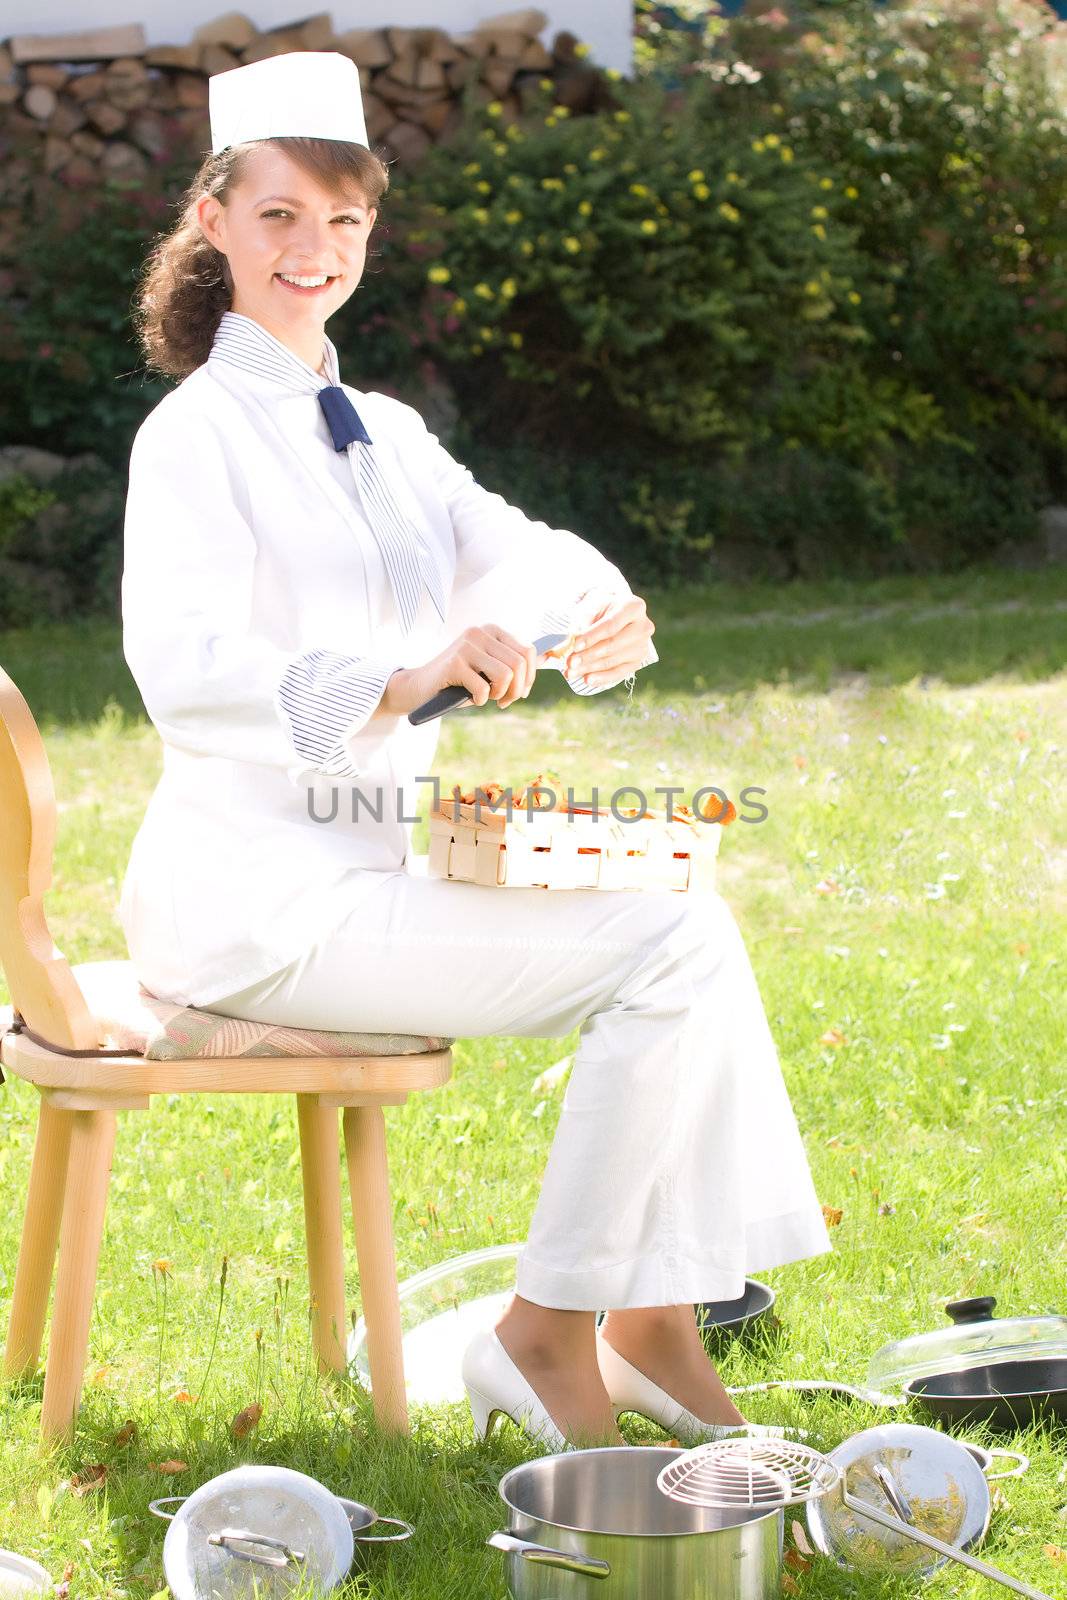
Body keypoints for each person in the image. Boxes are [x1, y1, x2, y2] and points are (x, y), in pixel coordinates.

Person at [120, 50, 831, 1452]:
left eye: (342, 224)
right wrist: (403, 677)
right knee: (665, 950)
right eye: (278, 218)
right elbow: (182, 672)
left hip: (360, 875)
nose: (312, 253)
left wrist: (582, 607)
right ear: (213, 220)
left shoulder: (378, 429)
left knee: (687, 921)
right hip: (257, 907)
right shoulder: (192, 436)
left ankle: (653, 1321)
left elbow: (512, 545)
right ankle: (552, 1334)